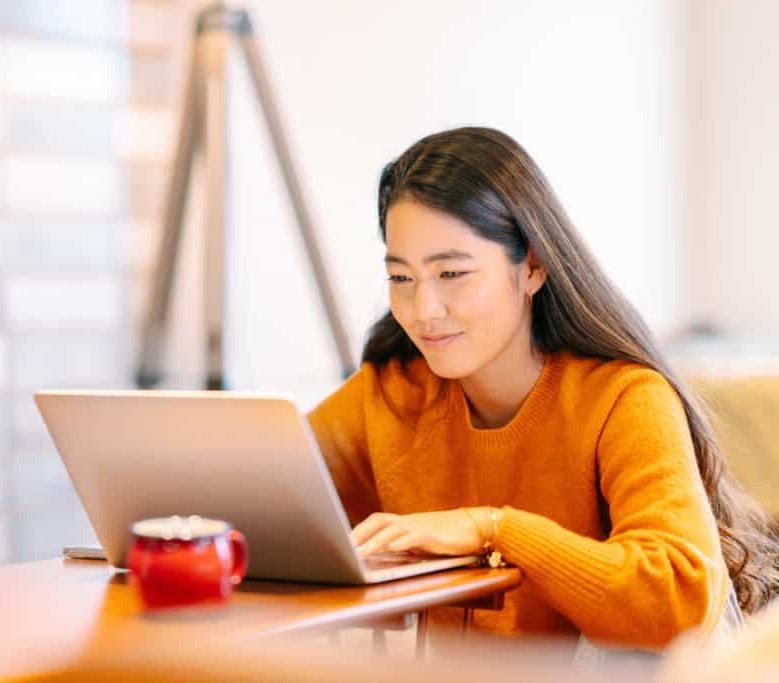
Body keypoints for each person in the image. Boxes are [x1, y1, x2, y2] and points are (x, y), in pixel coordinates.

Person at [307, 127, 778, 652]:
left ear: (532, 266)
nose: (424, 311)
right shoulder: (392, 393)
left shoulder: (623, 397)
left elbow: (680, 601)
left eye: (452, 273)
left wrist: (495, 530)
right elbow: (270, 504)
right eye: (401, 279)